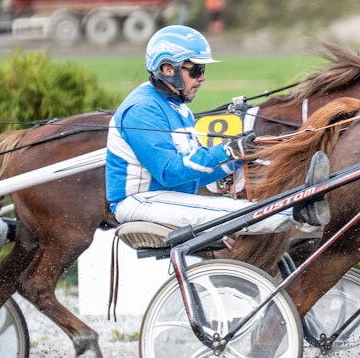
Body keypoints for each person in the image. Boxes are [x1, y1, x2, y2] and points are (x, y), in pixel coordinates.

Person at [106, 25, 329, 234]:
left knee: (236, 206)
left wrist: (236, 161)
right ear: (167, 69)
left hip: (166, 195)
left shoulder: (177, 108)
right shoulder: (142, 109)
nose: (202, 77)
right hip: (139, 201)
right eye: (196, 70)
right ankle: (302, 213)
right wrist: (226, 151)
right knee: (233, 212)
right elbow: (169, 172)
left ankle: (302, 204)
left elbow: (191, 178)